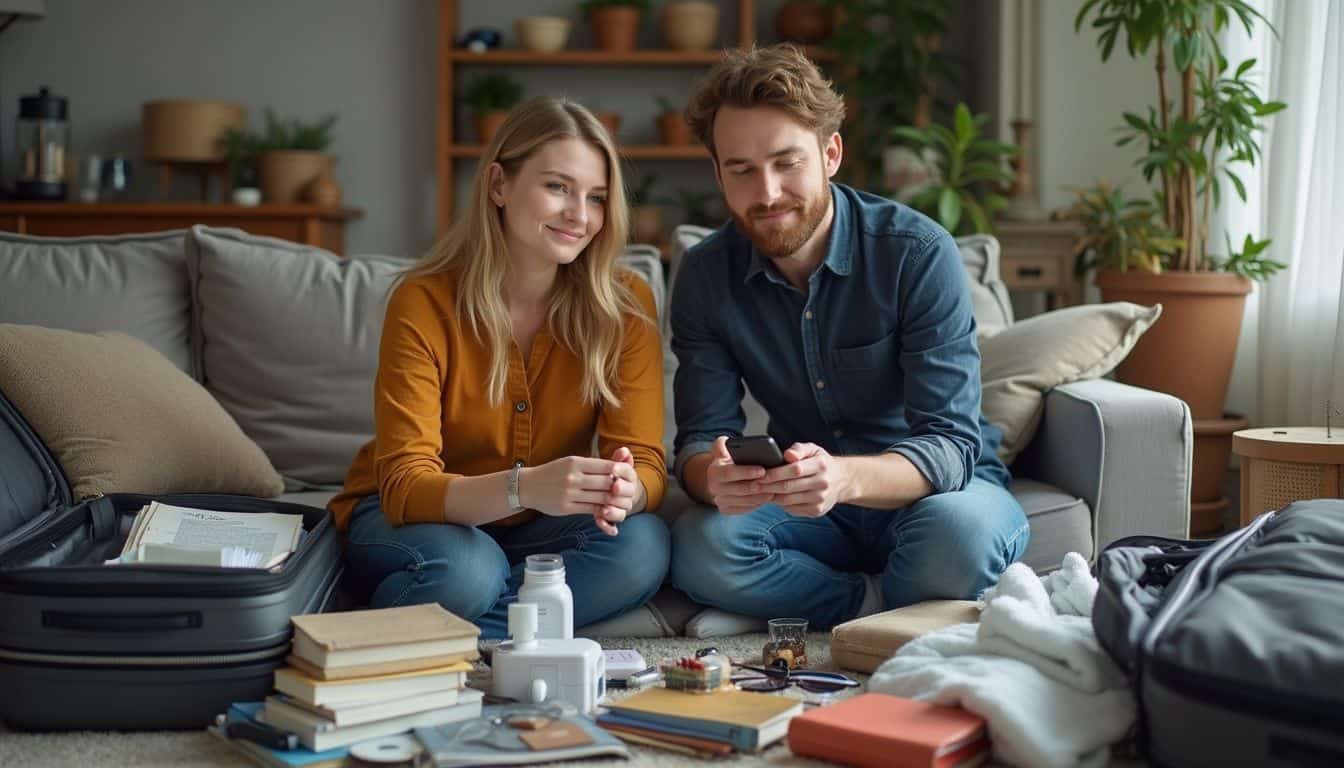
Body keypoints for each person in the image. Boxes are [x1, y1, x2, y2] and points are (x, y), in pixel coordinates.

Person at [668, 45, 1029, 630]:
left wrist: (844, 476)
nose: (766, 193)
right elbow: (700, 438)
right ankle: (870, 610)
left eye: (787, 163)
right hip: (805, 506)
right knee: (700, 546)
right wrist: (713, 479)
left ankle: (823, 607)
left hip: (932, 497)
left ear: (830, 154)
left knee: (964, 537)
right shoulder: (707, 275)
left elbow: (951, 444)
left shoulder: (917, 253)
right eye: (741, 170)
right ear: (718, 173)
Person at [328, 97, 669, 639]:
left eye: (597, 198)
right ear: (498, 187)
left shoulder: (625, 305)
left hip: (539, 524)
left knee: (641, 546)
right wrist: (525, 487)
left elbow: (649, 462)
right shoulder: (423, 300)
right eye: (558, 187)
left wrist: (627, 488)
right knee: (466, 570)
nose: (580, 215)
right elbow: (404, 488)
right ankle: (435, 618)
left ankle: (446, 631)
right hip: (414, 521)